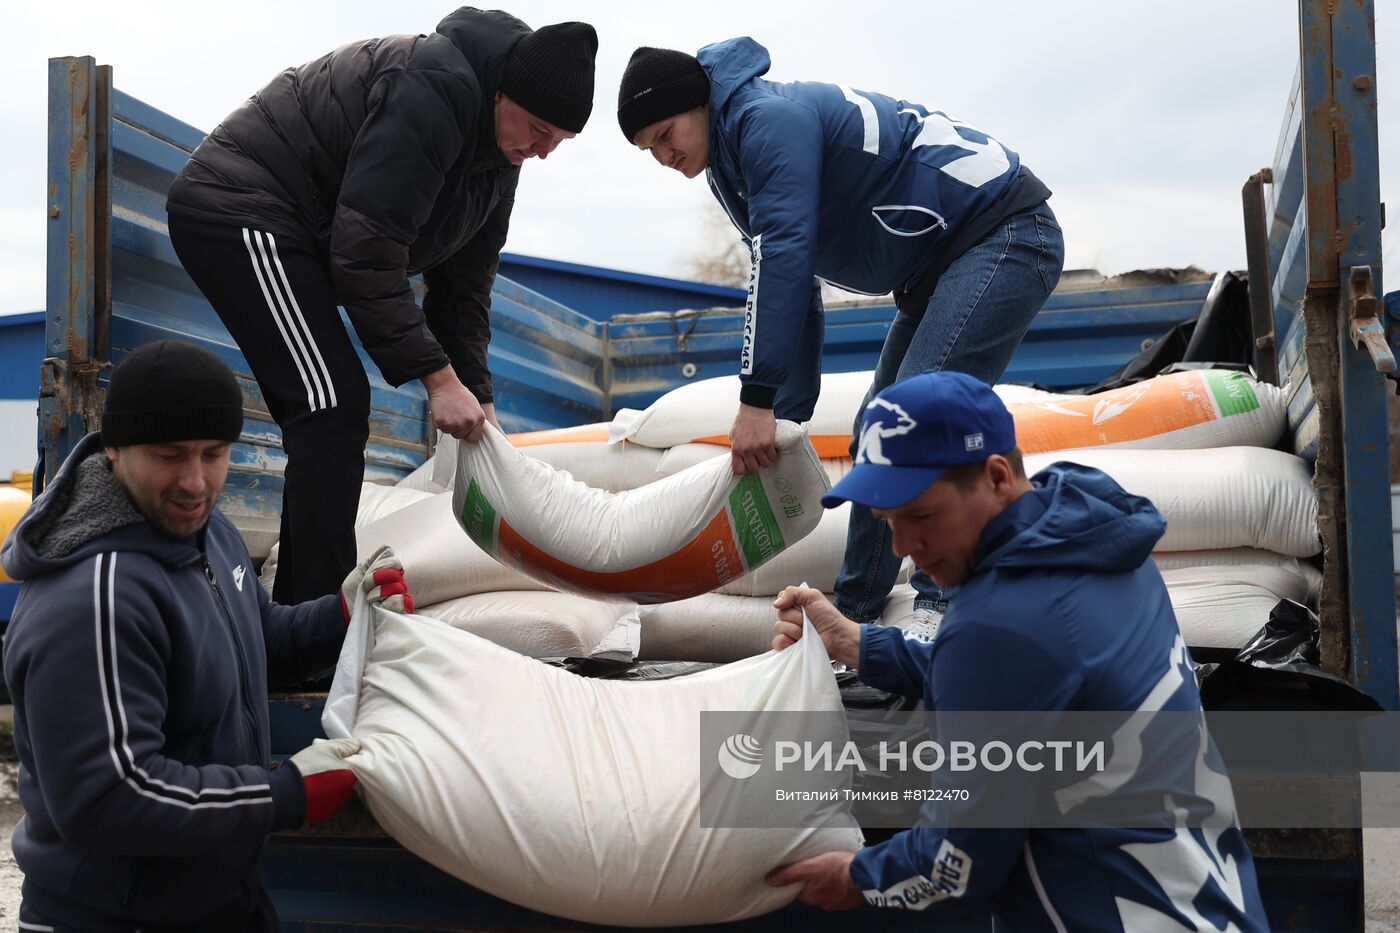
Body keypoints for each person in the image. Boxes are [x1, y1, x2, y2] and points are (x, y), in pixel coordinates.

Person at [761, 372, 1267, 929]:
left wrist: (858, 876)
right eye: (889, 524)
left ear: (996, 476)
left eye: (921, 516)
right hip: (1209, 901)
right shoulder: (1092, 538)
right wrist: (856, 643)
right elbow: (1034, 681)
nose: (904, 548)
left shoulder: (1002, 625)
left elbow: (958, 860)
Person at [617, 40, 1064, 633]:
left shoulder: (764, 122)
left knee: (919, 420)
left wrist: (754, 401)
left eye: (666, 133)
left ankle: (938, 605)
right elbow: (792, 287)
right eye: (649, 149)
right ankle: (857, 613)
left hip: (1004, 232)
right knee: (880, 428)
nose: (664, 155)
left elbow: (782, 259)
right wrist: (784, 417)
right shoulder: (727, 158)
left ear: (700, 104)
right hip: (940, 265)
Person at [166, 9, 598, 604]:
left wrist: (481, 396)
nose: (544, 150)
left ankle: (312, 610)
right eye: (539, 128)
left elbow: (463, 290)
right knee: (330, 404)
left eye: (561, 141)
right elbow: (367, 251)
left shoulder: (500, 159)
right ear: (502, 93)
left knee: (336, 405)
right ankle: (309, 620)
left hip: (308, 233)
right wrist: (439, 381)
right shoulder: (433, 88)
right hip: (241, 205)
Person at [0, 341, 413, 931]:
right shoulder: (95, 597)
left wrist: (341, 614)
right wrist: (284, 794)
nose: (195, 481)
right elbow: (109, 798)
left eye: (213, 454)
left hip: (214, 897)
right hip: (114, 917)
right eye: (170, 456)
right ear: (114, 451)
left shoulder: (204, 531)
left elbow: (254, 640)